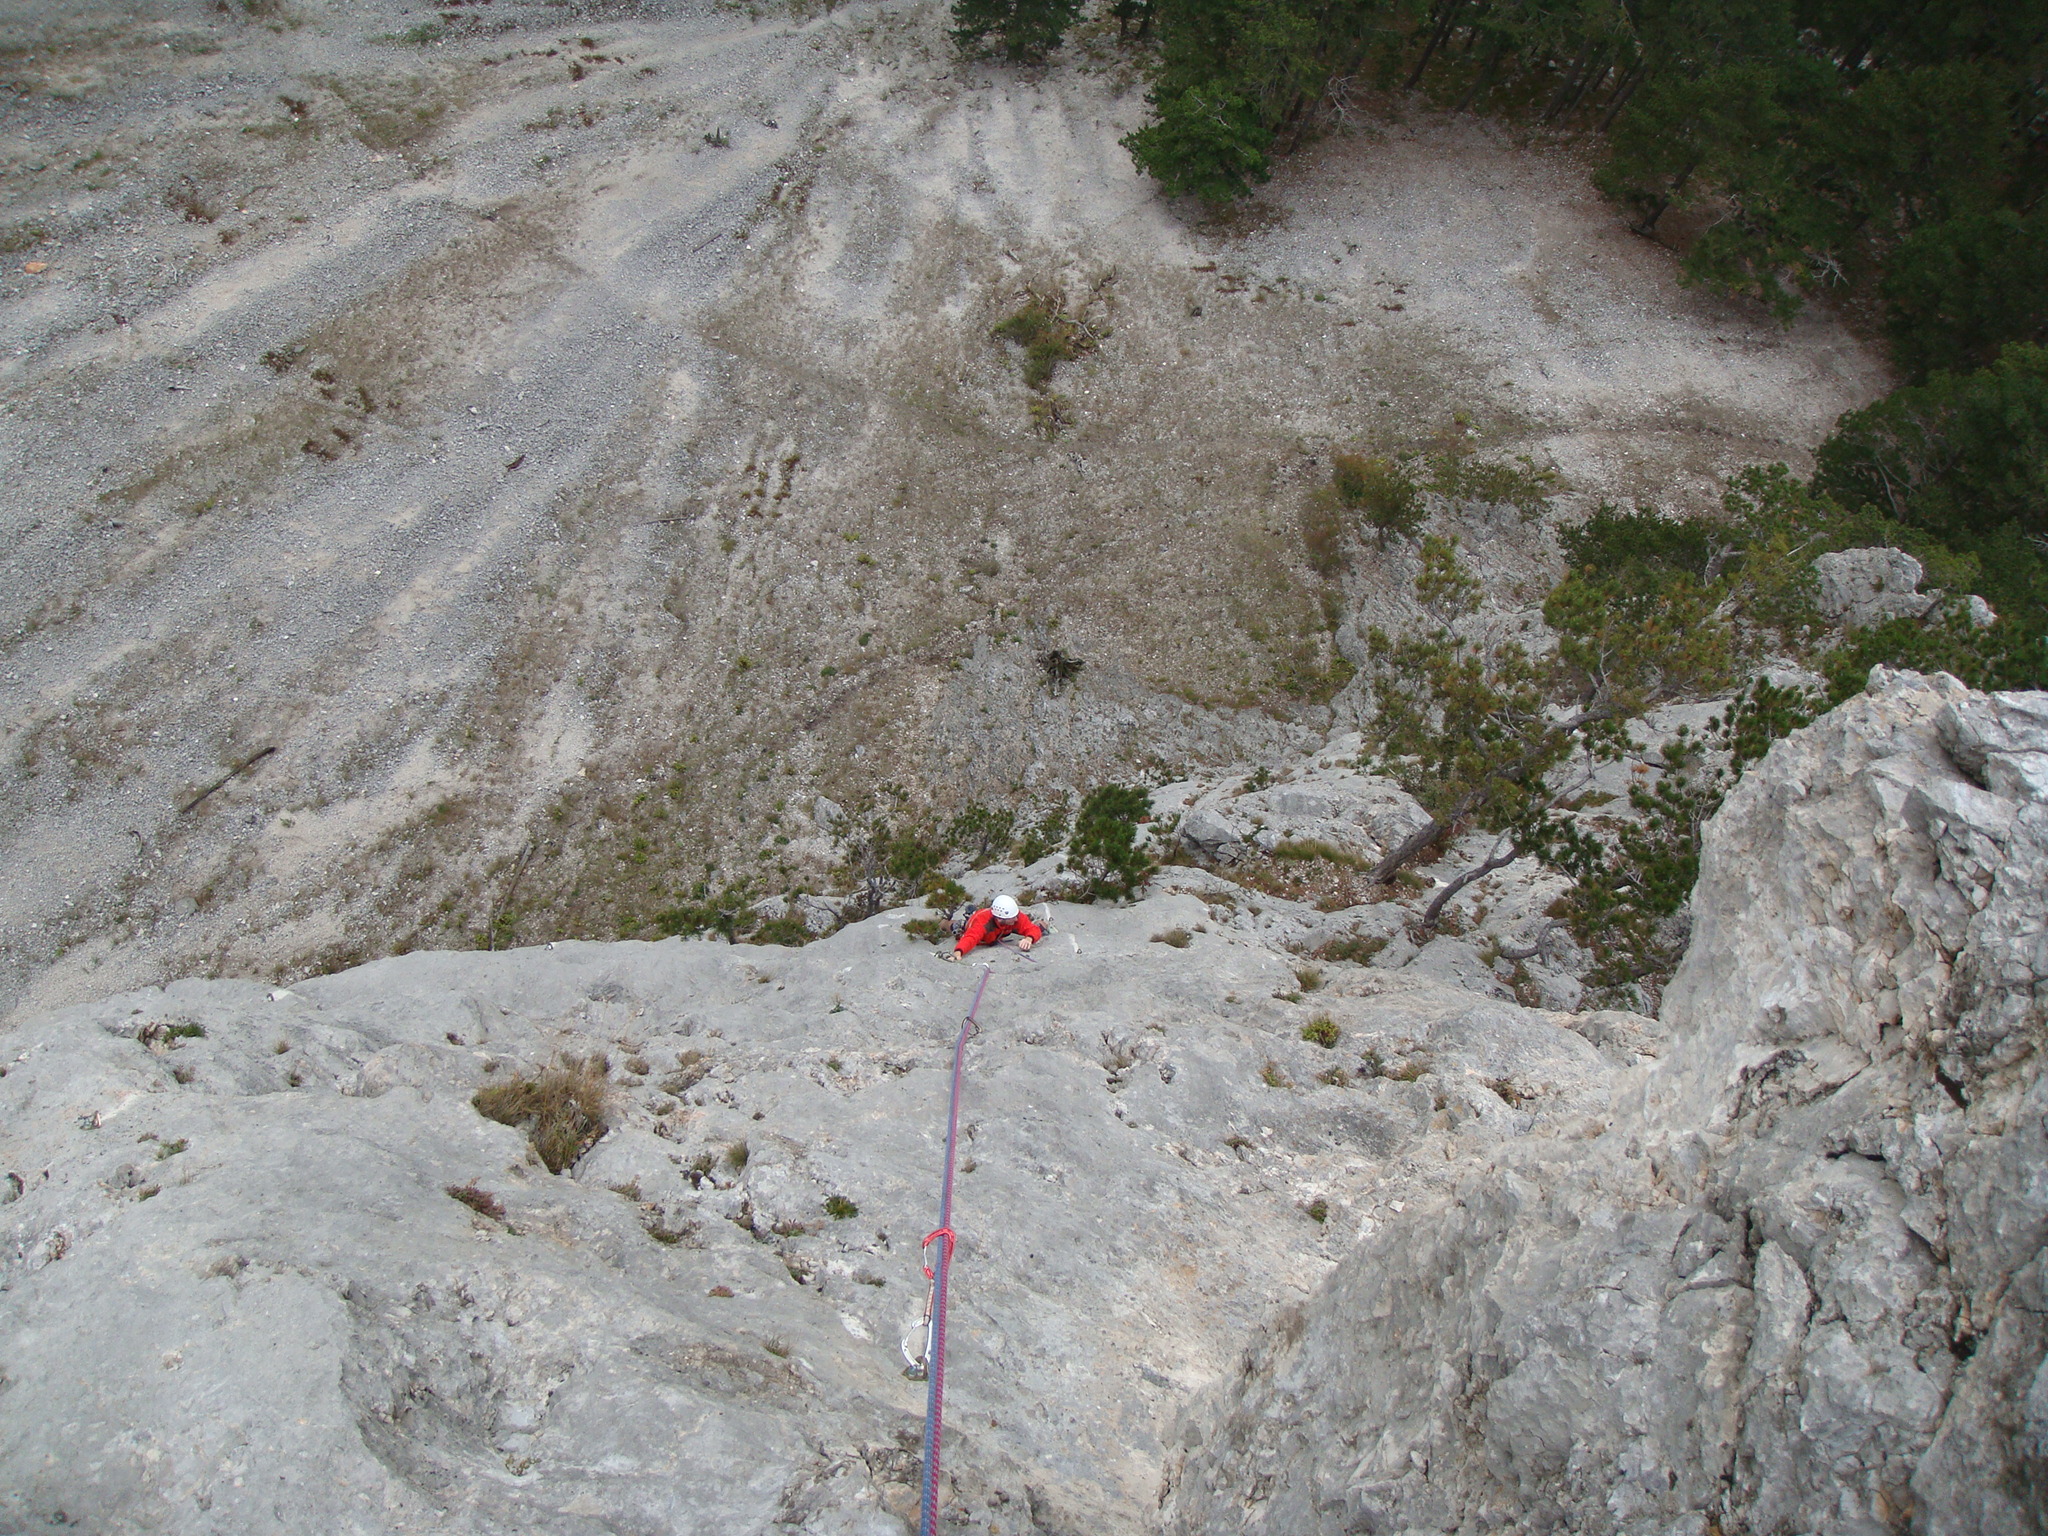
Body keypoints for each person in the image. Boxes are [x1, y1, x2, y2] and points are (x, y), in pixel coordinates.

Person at [947, 893, 1041, 959]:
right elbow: (970, 937)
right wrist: (958, 952)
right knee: (953, 926)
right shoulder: (983, 923)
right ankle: (945, 922)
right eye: (1013, 918)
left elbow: (1032, 928)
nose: (1016, 919)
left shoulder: (1014, 917)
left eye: (1016, 916)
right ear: (1000, 919)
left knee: (1040, 927)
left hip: (1000, 932)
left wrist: (1029, 939)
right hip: (976, 928)